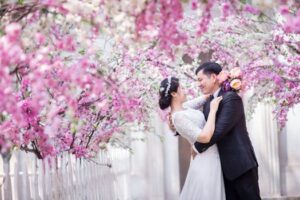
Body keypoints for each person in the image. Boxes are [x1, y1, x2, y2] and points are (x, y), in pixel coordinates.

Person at [194, 62, 261, 200]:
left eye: (200, 80)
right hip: (222, 169)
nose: (198, 84)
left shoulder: (231, 98)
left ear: (213, 77)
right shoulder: (208, 103)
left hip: (241, 166)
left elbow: (218, 131)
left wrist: (196, 147)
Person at [159, 76, 225, 200]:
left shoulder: (185, 107)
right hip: (206, 160)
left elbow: (205, 97)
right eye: (182, 88)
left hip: (212, 155)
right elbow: (204, 137)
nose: (185, 90)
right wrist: (213, 111)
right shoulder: (178, 117)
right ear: (173, 93)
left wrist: (223, 80)